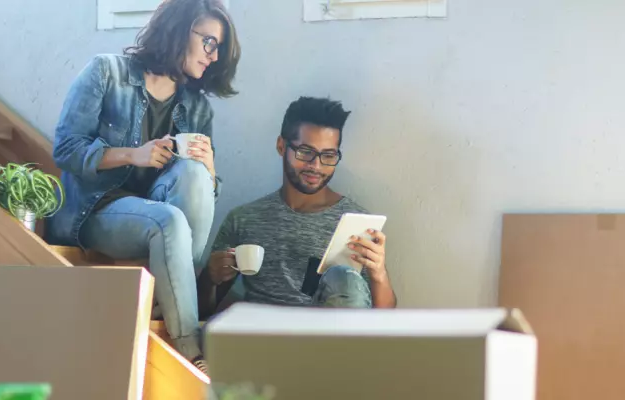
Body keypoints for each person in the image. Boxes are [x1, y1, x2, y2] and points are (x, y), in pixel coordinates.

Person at [47, 0, 240, 372]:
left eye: (218, 48)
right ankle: (190, 351)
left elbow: (200, 195)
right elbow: (66, 148)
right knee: (170, 221)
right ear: (180, 30)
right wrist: (132, 155)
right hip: (94, 210)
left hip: (157, 217)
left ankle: (168, 299)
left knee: (195, 173)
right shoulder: (106, 73)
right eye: (209, 43)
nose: (214, 56)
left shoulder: (197, 108)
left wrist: (210, 171)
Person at [198, 97, 397, 318]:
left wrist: (379, 274)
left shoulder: (356, 224)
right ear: (281, 146)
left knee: (345, 279)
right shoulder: (244, 219)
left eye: (328, 155)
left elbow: (384, 320)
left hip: (330, 335)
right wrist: (209, 278)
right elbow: (201, 312)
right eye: (306, 152)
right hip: (264, 334)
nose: (316, 166)